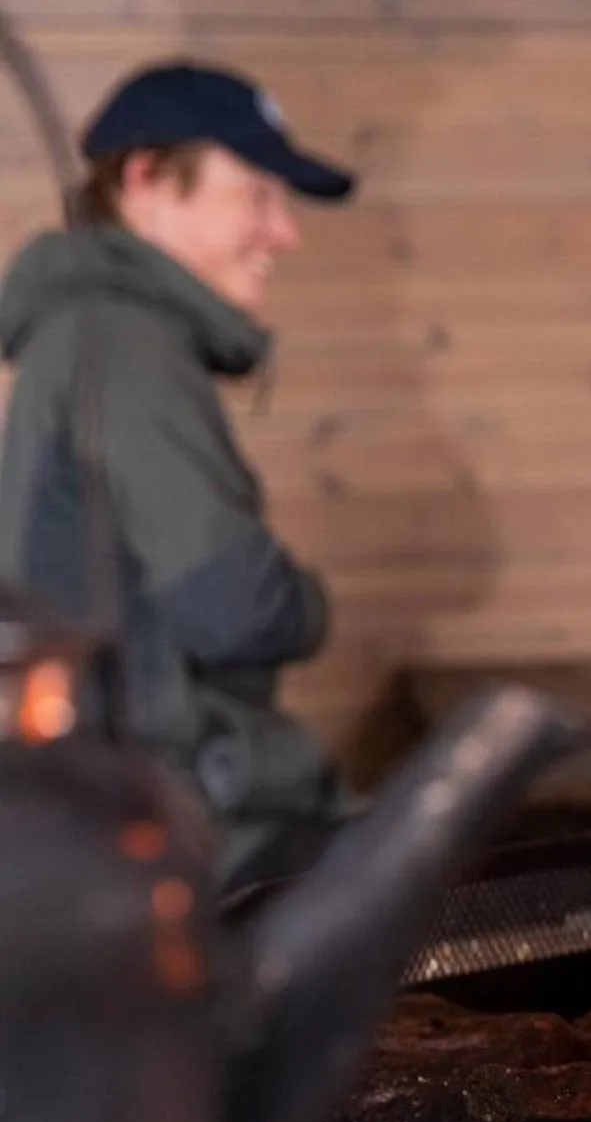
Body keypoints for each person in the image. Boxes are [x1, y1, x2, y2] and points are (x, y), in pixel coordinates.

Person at [0, 61, 357, 892]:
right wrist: (311, 601)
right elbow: (237, 606)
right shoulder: (126, 345)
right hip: (171, 845)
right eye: (256, 195)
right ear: (146, 180)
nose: (285, 232)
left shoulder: (88, 334)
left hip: (105, 826)